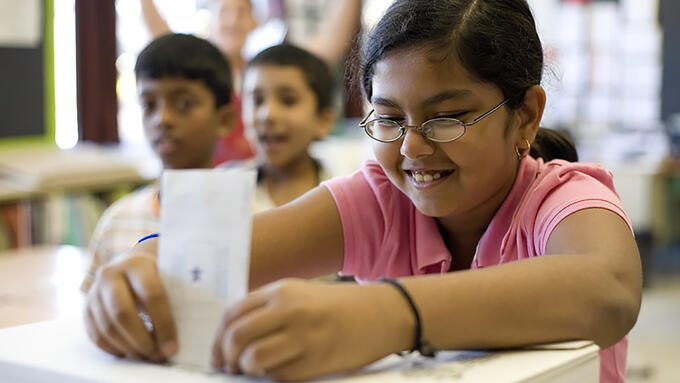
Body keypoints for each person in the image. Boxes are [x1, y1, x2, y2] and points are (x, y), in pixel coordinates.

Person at [84, 1, 642, 382]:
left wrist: (388, 314)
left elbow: (608, 288)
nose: (412, 149)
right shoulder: (380, 200)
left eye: (447, 118)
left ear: (525, 116)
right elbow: (221, 248)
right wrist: (143, 266)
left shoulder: (562, 199)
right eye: (389, 118)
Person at [80, 33, 235, 292]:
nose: (162, 119)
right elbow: (93, 308)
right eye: (149, 104)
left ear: (225, 120)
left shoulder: (257, 218)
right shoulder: (117, 221)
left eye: (184, 103)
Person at [139, 0, 362, 164]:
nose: (233, 20)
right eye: (224, 11)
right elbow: (161, 36)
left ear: (255, 22)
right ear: (211, 20)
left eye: (242, 12)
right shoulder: (192, 75)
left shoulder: (263, 75)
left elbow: (328, 46)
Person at [235, 44, 336, 211]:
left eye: (288, 101)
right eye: (256, 101)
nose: (267, 115)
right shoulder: (225, 190)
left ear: (323, 121)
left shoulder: (344, 194)